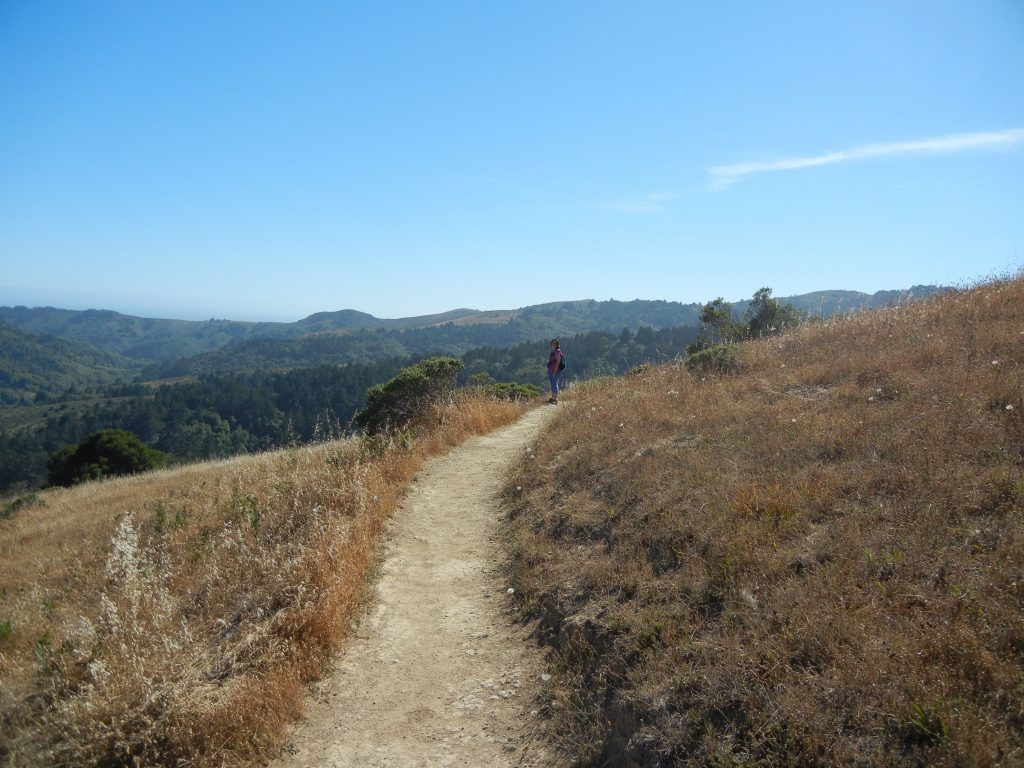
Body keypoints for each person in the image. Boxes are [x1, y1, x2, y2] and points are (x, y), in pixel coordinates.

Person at [546, 338, 562, 404]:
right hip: (550, 369)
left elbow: (558, 362)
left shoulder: (558, 351)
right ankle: (553, 398)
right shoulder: (552, 351)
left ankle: (555, 399)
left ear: (557, 344)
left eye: (555, 343)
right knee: (552, 383)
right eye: (552, 343)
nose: (553, 344)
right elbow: (550, 360)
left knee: (555, 383)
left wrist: (555, 371)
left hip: (555, 370)